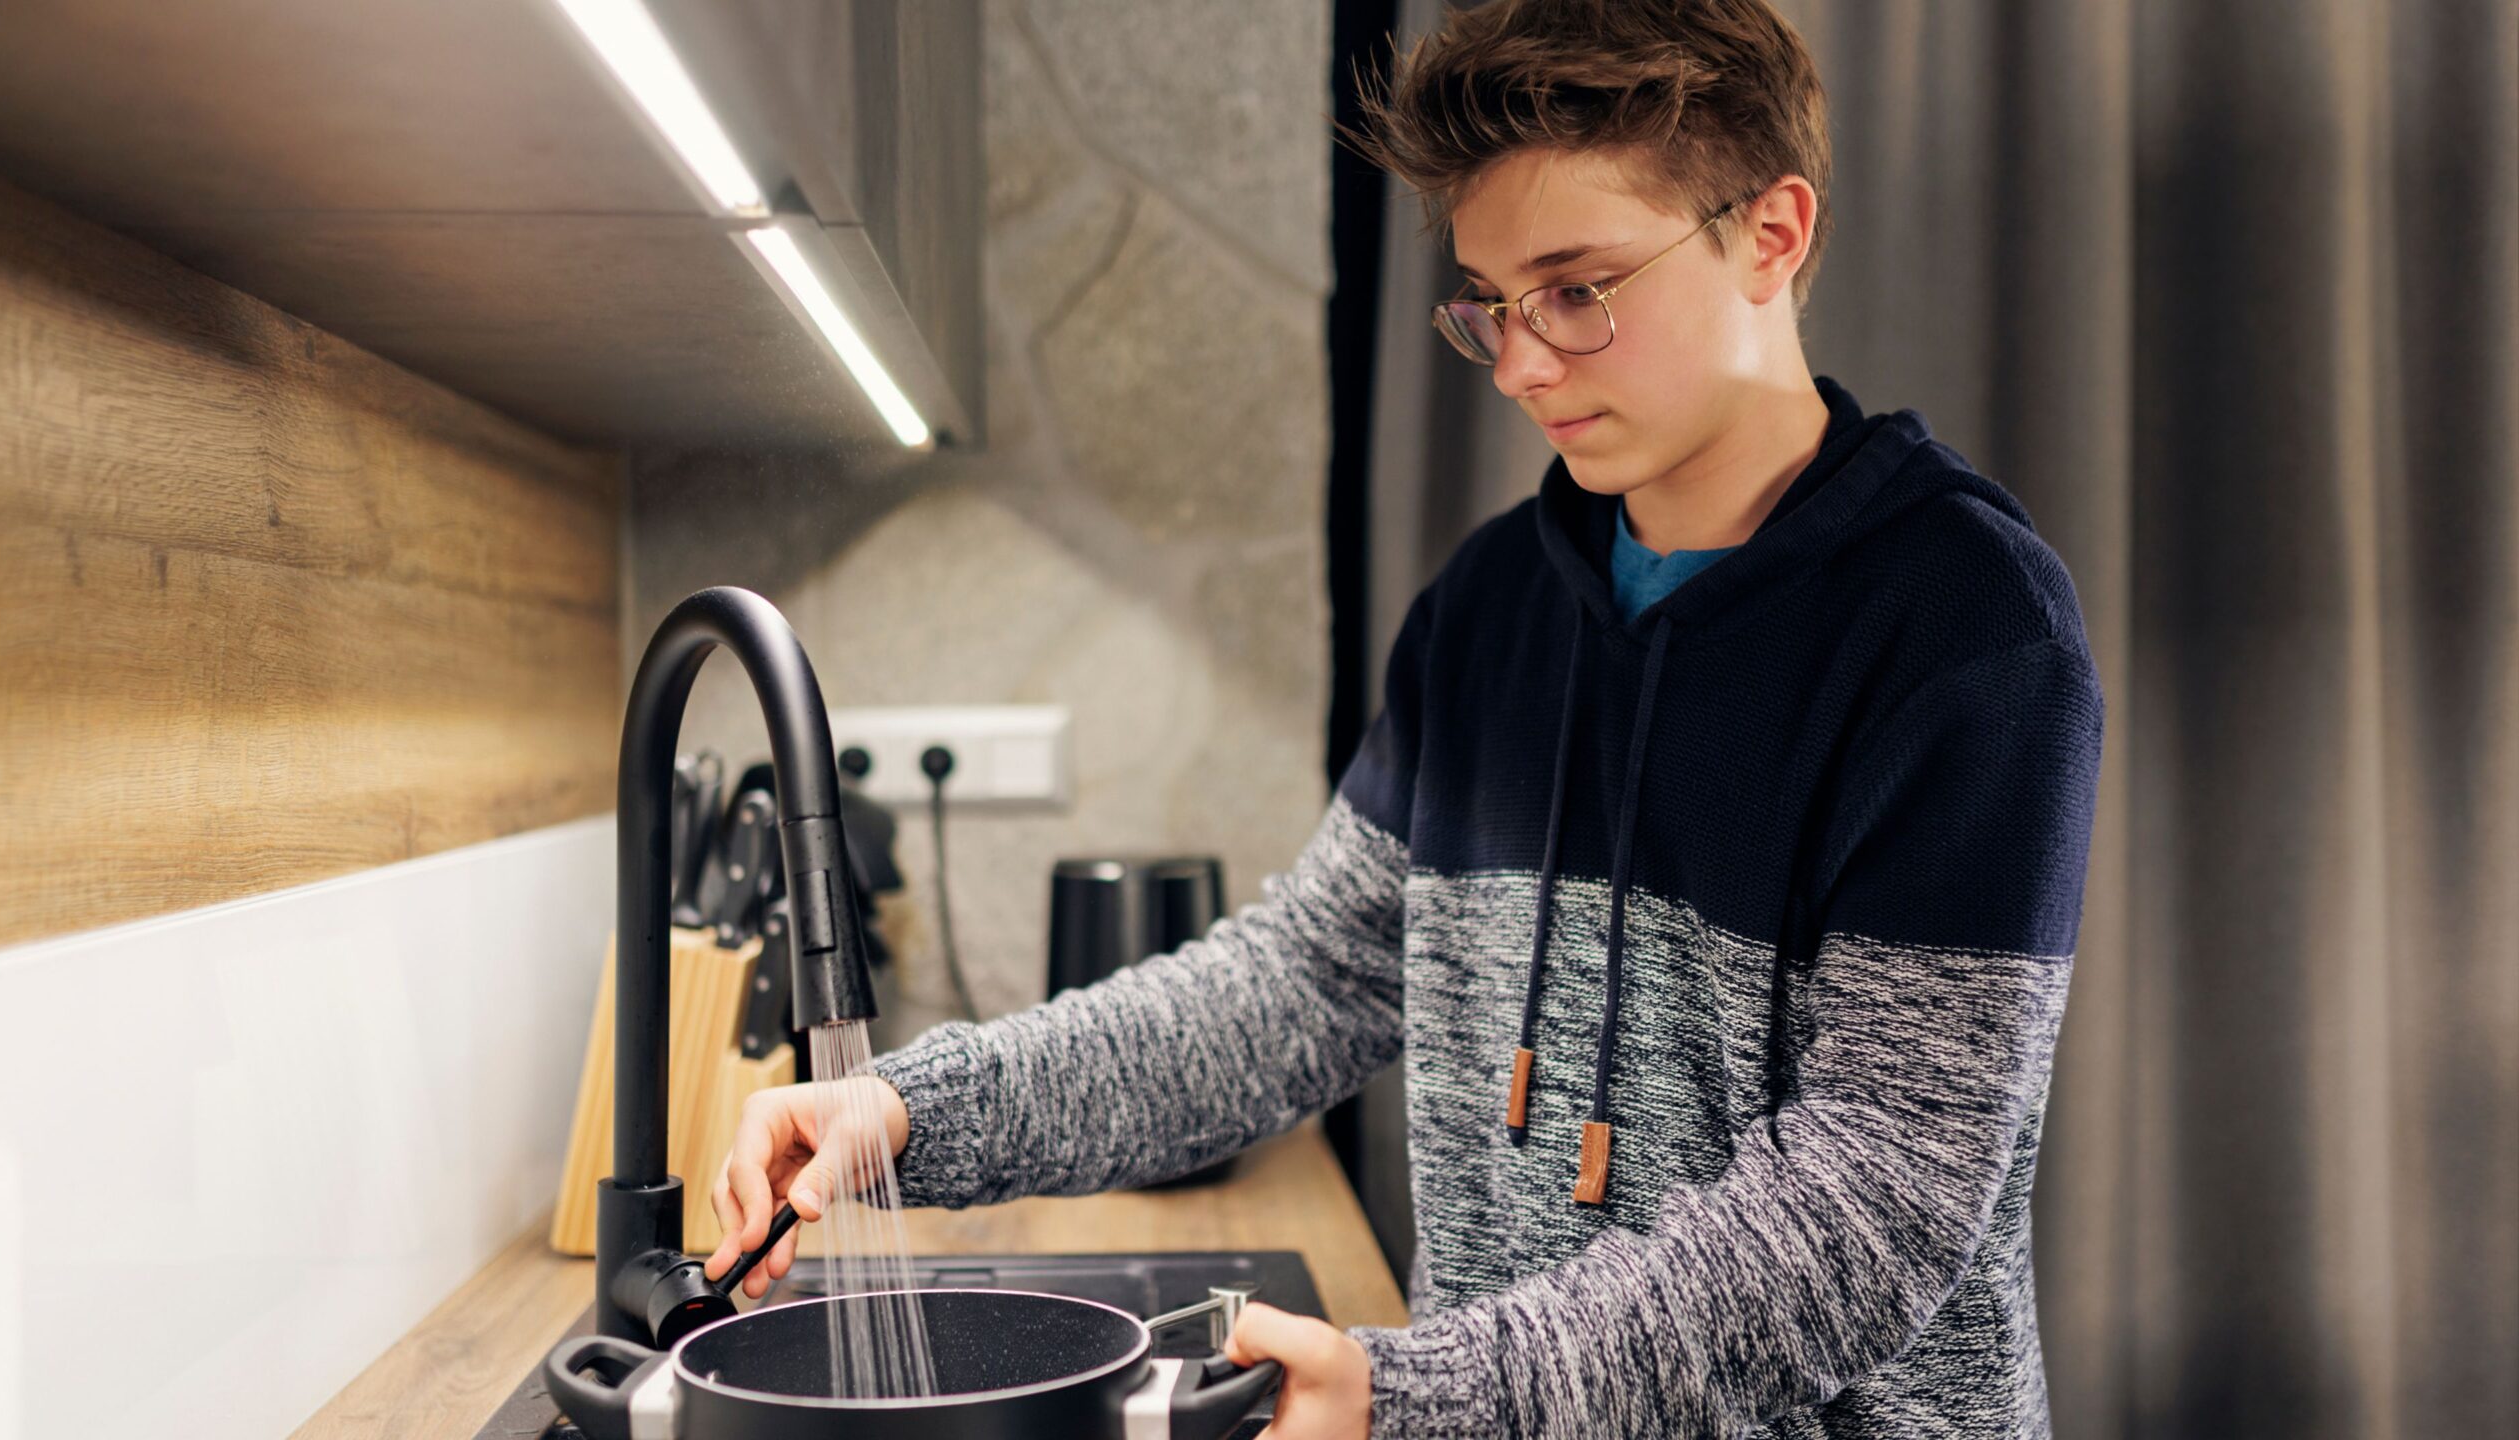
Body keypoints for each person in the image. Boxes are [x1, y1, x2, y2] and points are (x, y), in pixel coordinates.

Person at [706, 1, 2104, 1435]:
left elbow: (1878, 1199)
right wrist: (912, 1113)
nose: (1520, 368)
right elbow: (1306, 982)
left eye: (1577, 290)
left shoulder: (1969, 634)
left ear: (1773, 233)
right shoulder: (1494, 604)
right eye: (1490, 304)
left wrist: (1426, 1390)